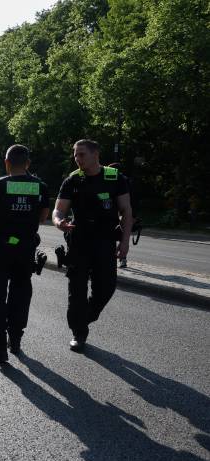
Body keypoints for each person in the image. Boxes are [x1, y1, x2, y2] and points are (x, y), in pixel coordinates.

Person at [53, 139, 133, 352]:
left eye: (82, 154)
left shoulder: (115, 178)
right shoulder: (73, 180)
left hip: (104, 241)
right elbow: (59, 209)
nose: (77, 159)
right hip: (78, 241)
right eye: (75, 155)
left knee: (106, 288)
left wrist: (125, 242)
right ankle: (79, 333)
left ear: (96, 154)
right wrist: (59, 221)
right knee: (76, 289)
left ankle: (86, 317)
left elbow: (126, 211)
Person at [0, 145, 50, 361]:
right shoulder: (40, 187)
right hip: (25, 248)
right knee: (21, 292)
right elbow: (42, 217)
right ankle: (15, 339)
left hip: (1, 248)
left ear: (6, 163)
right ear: (27, 164)